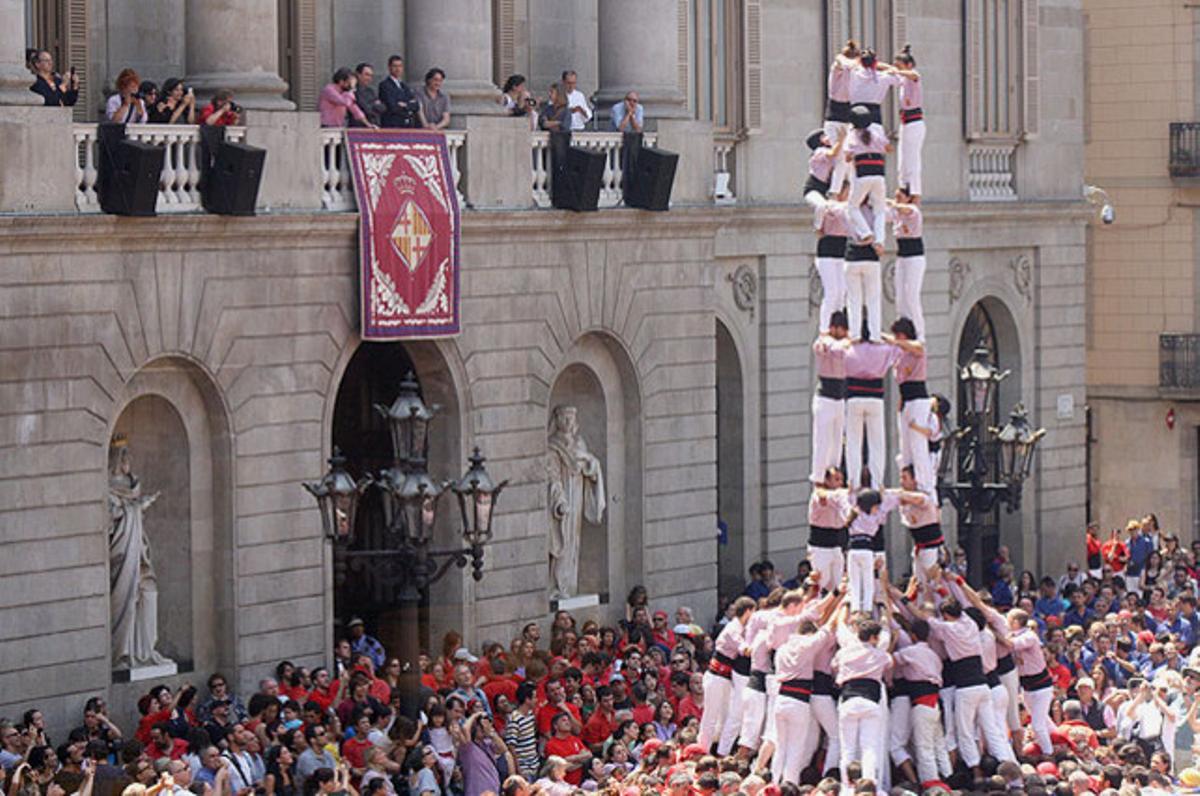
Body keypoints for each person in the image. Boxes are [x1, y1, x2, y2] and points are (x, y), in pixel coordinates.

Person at [843, 338, 900, 490]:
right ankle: (877, 482)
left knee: (853, 443)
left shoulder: (848, 349)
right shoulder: (882, 350)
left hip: (854, 397)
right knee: (877, 443)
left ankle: (853, 481)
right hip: (875, 399)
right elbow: (899, 350)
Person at [886, 318, 934, 492]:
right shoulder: (900, 356)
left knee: (918, 445)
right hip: (906, 401)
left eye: (899, 335)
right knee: (905, 445)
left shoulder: (916, 349)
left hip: (918, 400)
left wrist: (893, 340)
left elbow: (918, 347)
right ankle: (908, 482)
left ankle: (925, 486)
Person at [811, 186, 851, 334]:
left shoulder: (848, 208)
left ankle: (838, 325)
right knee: (832, 292)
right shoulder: (826, 207)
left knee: (842, 291)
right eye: (847, 191)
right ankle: (824, 328)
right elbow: (818, 229)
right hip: (827, 251)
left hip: (842, 251)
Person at [823, 41, 860, 196]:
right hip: (834, 118)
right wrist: (851, 63)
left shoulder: (855, 71)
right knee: (840, 158)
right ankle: (834, 192)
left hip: (847, 116)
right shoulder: (838, 65)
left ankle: (852, 193)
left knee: (849, 159)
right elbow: (839, 59)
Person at [808, 467, 850, 591]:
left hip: (837, 545)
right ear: (827, 481)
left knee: (839, 586)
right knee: (821, 584)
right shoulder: (819, 495)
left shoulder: (842, 497)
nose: (840, 483)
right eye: (836, 479)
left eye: (841, 479)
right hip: (821, 545)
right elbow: (823, 498)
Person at [892, 45, 924, 200]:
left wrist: (897, 70)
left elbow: (913, 75)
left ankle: (915, 194)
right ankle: (904, 189)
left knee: (912, 161)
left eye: (900, 65)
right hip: (905, 123)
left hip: (914, 122)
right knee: (903, 162)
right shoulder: (902, 79)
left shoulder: (912, 77)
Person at [379, 55, 421, 128]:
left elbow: (416, 105)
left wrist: (405, 105)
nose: (398, 69)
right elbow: (392, 106)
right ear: (389, 67)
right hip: (392, 125)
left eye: (400, 66)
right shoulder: (385, 85)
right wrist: (408, 105)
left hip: (407, 125)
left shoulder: (404, 86)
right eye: (395, 66)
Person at [352, 63, 383, 128]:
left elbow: (382, 108)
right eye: (367, 75)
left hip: (374, 127)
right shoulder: (353, 91)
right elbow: (366, 109)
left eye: (371, 76)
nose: (369, 78)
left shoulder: (371, 91)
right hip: (358, 129)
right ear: (358, 75)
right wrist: (374, 106)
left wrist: (374, 107)